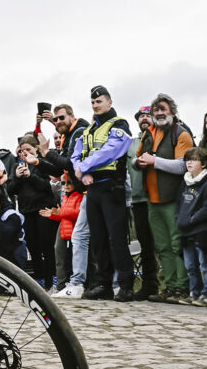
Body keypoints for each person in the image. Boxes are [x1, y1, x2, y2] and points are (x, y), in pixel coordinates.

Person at [71, 86, 134, 302]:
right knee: (97, 240)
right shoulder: (88, 130)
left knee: (117, 238)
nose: (96, 105)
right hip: (94, 188)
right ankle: (104, 285)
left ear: (110, 102)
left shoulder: (119, 124)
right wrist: (82, 174)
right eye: (93, 102)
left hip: (112, 187)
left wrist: (85, 167)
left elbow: (112, 151)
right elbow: (75, 156)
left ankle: (126, 285)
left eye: (99, 101)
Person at [134, 93, 195, 303]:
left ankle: (183, 288)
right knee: (163, 246)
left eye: (163, 109)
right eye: (156, 110)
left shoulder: (181, 133)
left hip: (175, 198)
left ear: (172, 111)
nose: (159, 113)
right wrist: (138, 163)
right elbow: (138, 158)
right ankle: (169, 287)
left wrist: (154, 160)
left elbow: (182, 165)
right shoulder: (148, 133)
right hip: (153, 199)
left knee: (178, 245)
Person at [40, 104, 91, 299]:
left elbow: (68, 164)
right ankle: (69, 284)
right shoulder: (67, 135)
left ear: (72, 116)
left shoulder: (78, 132)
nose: (58, 122)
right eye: (56, 120)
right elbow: (57, 170)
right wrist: (37, 161)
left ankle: (79, 283)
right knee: (61, 249)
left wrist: (45, 153)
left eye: (62, 118)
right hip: (75, 200)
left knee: (82, 241)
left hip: (86, 192)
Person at [9, 134, 59, 290]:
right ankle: (39, 279)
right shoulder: (18, 165)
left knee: (47, 244)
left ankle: (53, 279)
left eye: (28, 150)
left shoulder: (42, 163)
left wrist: (30, 177)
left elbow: (47, 186)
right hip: (26, 210)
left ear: (36, 149)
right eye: (22, 151)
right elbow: (11, 189)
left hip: (43, 208)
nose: (25, 153)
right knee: (33, 245)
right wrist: (17, 178)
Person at [126, 106, 159, 299]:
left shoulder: (160, 138)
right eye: (141, 116)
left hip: (159, 197)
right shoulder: (132, 144)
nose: (144, 119)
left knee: (166, 243)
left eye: (148, 115)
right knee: (145, 244)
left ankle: (177, 285)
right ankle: (150, 285)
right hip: (138, 199)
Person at [176, 146, 207, 306]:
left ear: (203, 164)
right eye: (188, 159)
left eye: (194, 160)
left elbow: (205, 208)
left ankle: (205, 294)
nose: (190, 163)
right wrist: (179, 218)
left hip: (201, 230)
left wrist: (192, 219)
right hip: (185, 230)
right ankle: (194, 293)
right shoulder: (185, 182)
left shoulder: (205, 182)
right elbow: (179, 204)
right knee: (190, 265)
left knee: (204, 264)